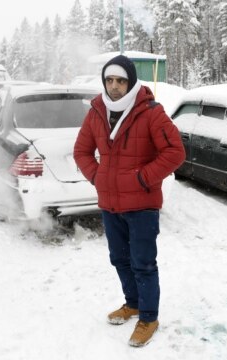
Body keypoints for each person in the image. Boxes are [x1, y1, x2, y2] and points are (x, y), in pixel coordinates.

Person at [74, 55, 185, 347]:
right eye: (109, 80)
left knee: (143, 263)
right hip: (110, 204)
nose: (114, 86)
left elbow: (175, 152)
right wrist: (97, 178)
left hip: (142, 207)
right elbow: (82, 151)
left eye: (120, 80)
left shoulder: (150, 111)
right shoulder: (97, 110)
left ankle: (149, 317)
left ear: (131, 82)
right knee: (119, 259)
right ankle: (133, 303)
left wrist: (141, 178)